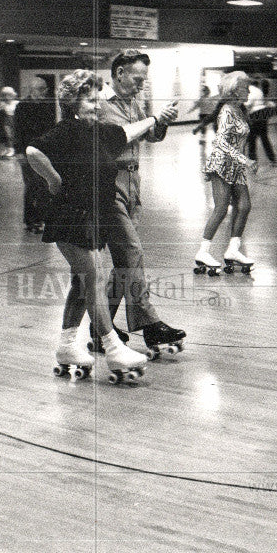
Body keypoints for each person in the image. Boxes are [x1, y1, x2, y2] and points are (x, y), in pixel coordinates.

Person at [25, 70, 158, 383]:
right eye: (89, 99)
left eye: (99, 99)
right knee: (94, 280)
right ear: (74, 101)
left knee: (81, 282)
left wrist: (153, 120)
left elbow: (128, 132)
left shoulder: (100, 132)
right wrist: (54, 180)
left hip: (92, 216)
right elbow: (33, 152)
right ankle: (113, 348)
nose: (97, 104)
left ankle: (67, 346)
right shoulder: (68, 129)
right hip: (71, 217)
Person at [96, 49, 184, 359]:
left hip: (133, 184)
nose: (140, 85)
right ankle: (150, 323)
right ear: (119, 73)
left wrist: (162, 123)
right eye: (136, 78)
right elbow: (120, 137)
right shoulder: (101, 106)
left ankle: (99, 325)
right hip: (109, 186)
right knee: (132, 251)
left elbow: (151, 137)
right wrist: (152, 120)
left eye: (144, 80)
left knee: (124, 262)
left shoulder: (133, 102)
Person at [194, 71, 257, 275]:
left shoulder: (241, 110)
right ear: (233, 89)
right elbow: (220, 142)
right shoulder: (227, 110)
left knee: (244, 205)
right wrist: (245, 160)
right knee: (221, 208)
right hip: (222, 163)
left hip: (236, 166)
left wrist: (242, 160)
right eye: (245, 87)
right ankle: (203, 252)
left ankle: (233, 250)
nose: (248, 90)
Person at [13, 78, 57, 233]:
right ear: (32, 90)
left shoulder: (47, 106)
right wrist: (18, 152)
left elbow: (51, 130)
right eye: (41, 89)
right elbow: (17, 130)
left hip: (43, 152)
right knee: (33, 186)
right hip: (27, 152)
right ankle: (31, 220)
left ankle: (41, 219)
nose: (44, 92)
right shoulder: (22, 106)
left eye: (45, 89)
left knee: (44, 185)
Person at [245, 80, 276, 166]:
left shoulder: (250, 90)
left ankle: (252, 160)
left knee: (252, 139)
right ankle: (272, 159)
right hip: (263, 113)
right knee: (264, 138)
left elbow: (248, 103)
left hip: (255, 114)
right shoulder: (259, 91)